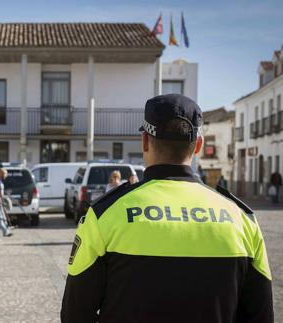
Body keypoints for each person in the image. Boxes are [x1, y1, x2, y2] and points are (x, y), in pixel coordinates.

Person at [62, 94, 273, 323]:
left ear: (144, 141)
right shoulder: (242, 220)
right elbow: (261, 316)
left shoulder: (104, 215)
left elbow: (75, 314)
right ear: (198, 146)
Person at [0, 168, 12, 237]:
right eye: (5, 174)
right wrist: (3, 201)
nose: (6, 175)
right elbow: (1, 195)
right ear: (2, 174)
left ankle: (5, 231)